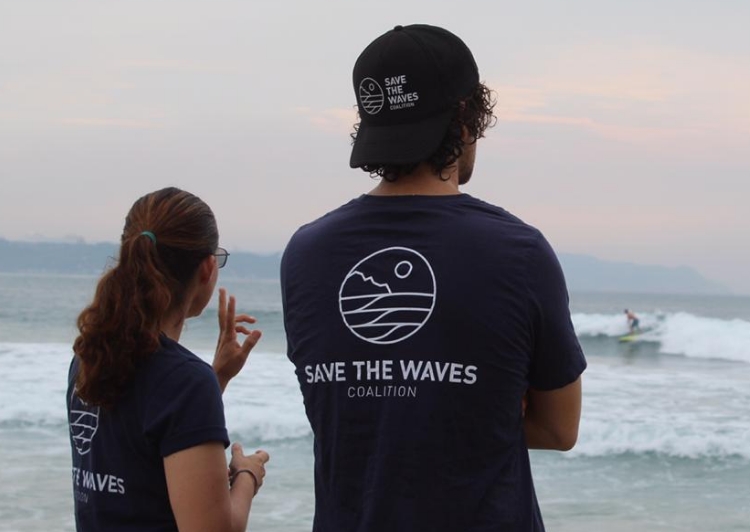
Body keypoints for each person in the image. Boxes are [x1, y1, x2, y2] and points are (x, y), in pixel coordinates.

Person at [280, 24, 586, 531]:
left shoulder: (305, 254)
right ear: (466, 118)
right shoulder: (519, 253)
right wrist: (477, 405)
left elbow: (344, 417)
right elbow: (558, 429)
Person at [67, 187, 269, 532]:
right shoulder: (183, 381)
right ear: (207, 268)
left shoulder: (90, 355)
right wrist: (248, 475)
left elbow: (141, 458)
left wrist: (215, 377)